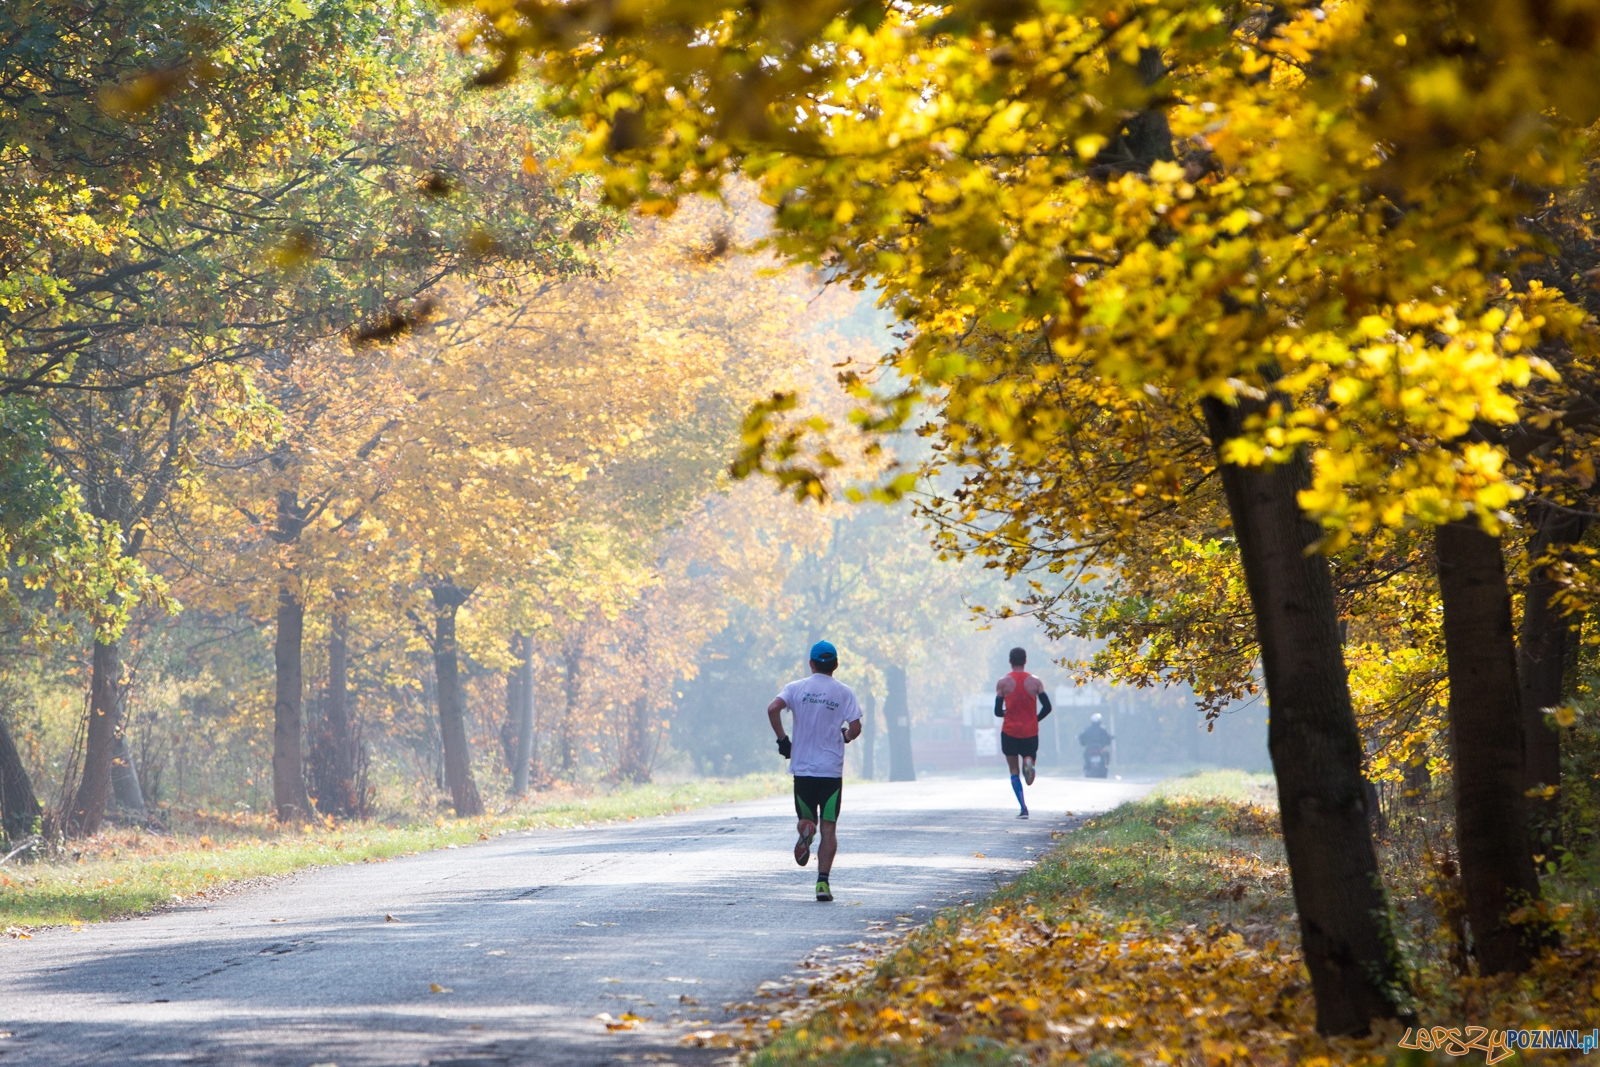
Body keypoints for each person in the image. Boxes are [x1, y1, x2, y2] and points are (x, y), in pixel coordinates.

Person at [768, 640, 862, 902]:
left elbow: (773, 709)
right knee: (829, 828)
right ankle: (822, 883)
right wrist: (845, 736)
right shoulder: (845, 692)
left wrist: (783, 740)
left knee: (806, 819)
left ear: (811, 664)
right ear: (836, 665)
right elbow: (855, 728)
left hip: (803, 770)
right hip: (830, 772)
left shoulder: (795, 688)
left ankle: (806, 830)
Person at [994, 647, 1052, 819]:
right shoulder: (1035, 682)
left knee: (1013, 770)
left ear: (1010, 661)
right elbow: (1047, 707)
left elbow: (997, 711)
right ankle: (1029, 761)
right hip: (1030, 731)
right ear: (1025, 661)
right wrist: (1035, 719)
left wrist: (1006, 712)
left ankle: (1023, 807)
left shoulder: (1003, 683)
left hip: (1010, 732)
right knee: (1029, 769)